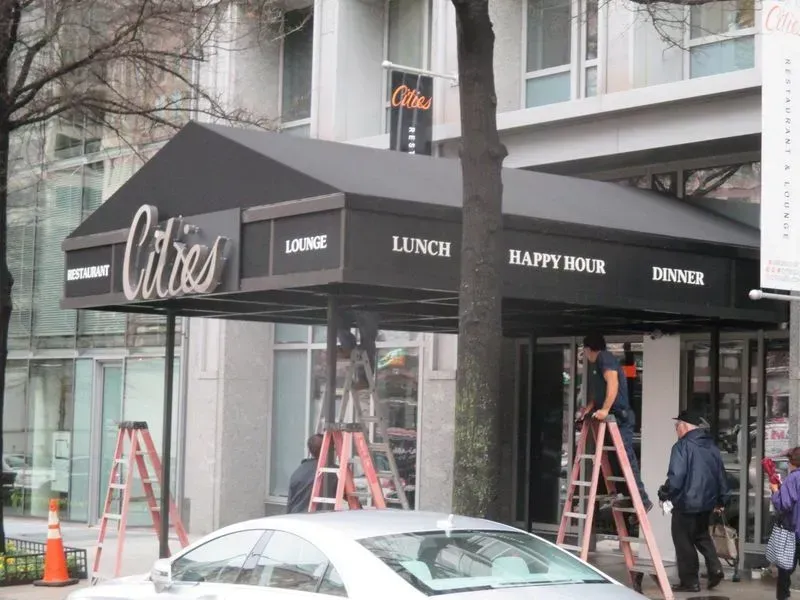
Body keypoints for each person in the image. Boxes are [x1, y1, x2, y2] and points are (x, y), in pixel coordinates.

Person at [578, 334, 652, 517]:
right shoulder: (598, 365)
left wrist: (604, 410)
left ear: (588, 349)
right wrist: (588, 409)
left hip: (620, 417)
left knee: (625, 457)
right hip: (612, 416)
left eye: (584, 350)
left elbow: (613, 383)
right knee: (613, 458)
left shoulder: (605, 358)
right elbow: (600, 394)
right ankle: (623, 493)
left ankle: (642, 499)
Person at [658, 411, 728, 593]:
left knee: (683, 541)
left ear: (686, 426)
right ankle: (716, 568)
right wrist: (721, 500)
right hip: (707, 504)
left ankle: (690, 582)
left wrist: (665, 493)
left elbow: (676, 476)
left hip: (686, 503)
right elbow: (721, 475)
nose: (676, 429)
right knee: (701, 536)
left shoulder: (682, 446)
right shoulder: (711, 447)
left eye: (677, 425)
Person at [770, 446, 800, 600]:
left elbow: (784, 504)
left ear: (792, 462)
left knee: (785, 568)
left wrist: (775, 490)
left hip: (793, 531)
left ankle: (783, 597)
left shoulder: (793, 478)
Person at [286, 434, 323, 514]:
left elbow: (290, 503)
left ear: (309, 451)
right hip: (317, 521)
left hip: (295, 518)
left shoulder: (298, 472)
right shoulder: (330, 472)